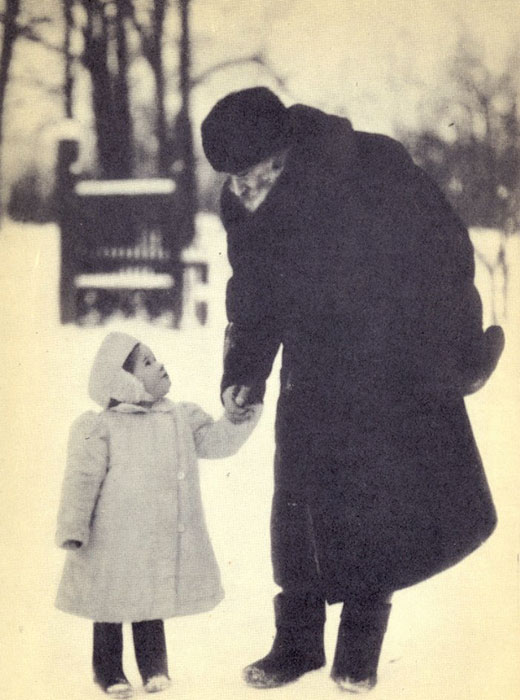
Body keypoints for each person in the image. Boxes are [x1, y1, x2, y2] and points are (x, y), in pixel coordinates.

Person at [201, 87, 505, 692]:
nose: (242, 192)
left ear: (282, 151)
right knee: (299, 503)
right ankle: (297, 646)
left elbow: (445, 253)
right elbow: (256, 294)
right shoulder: (244, 203)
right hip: (312, 367)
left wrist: (455, 343)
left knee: (376, 504)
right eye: (233, 181)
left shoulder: (371, 165)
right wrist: (244, 371)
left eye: (252, 176)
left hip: (392, 360)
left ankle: (359, 652)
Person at [55, 331, 261, 698]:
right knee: (110, 605)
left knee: (150, 601)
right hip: (111, 540)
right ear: (125, 380)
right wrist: (73, 527)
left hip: (154, 537)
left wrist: (239, 417)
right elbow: (81, 479)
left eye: (156, 357)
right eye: (147, 362)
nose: (160, 364)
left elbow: (216, 442)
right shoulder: (101, 427)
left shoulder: (179, 419)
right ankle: (109, 671)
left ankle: (154, 668)